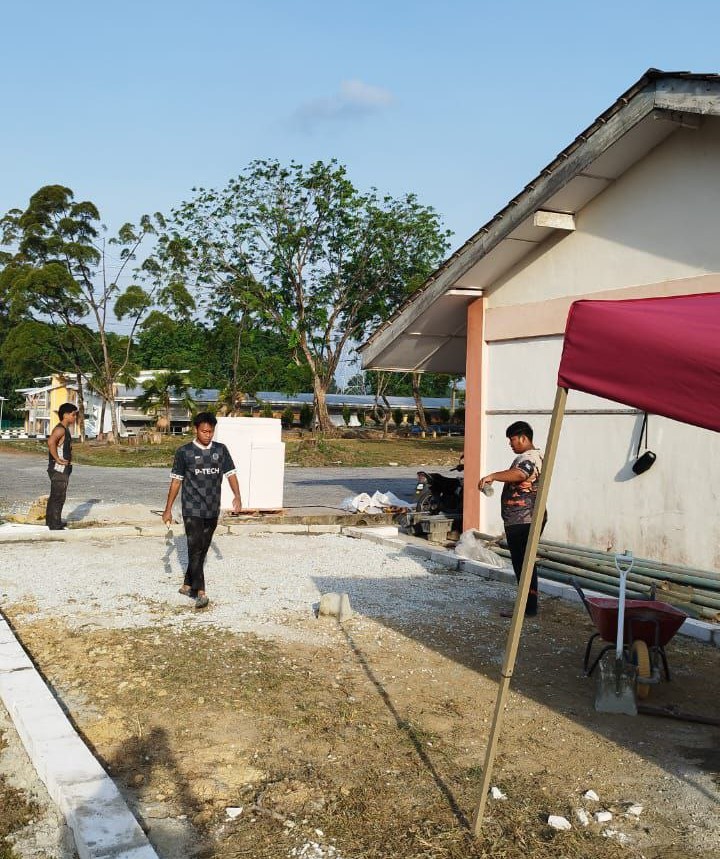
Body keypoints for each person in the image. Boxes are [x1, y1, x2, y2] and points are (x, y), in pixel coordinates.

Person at [162, 412, 242, 609]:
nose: (208, 435)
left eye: (211, 431)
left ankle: (187, 583)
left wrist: (237, 495)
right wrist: (168, 509)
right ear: (196, 430)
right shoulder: (184, 452)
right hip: (192, 508)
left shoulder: (221, 450)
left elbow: (231, 474)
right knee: (194, 547)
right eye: (204, 431)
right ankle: (201, 592)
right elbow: (176, 482)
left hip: (212, 507)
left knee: (203, 548)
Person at [478, 421, 545, 618]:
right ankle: (528, 605)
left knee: (523, 564)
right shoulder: (533, 456)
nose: (510, 444)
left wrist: (494, 476)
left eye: (512, 439)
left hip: (524, 520)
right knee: (524, 564)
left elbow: (520, 473)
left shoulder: (529, 458)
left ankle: (527, 608)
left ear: (524, 438)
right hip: (521, 519)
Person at [46, 403, 79, 531]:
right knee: (58, 496)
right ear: (65, 415)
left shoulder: (65, 429)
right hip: (58, 469)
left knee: (55, 495)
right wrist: (57, 459)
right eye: (73, 414)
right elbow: (50, 442)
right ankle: (55, 525)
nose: (74, 417)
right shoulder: (60, 429)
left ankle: (52, 522)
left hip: (62, 468)